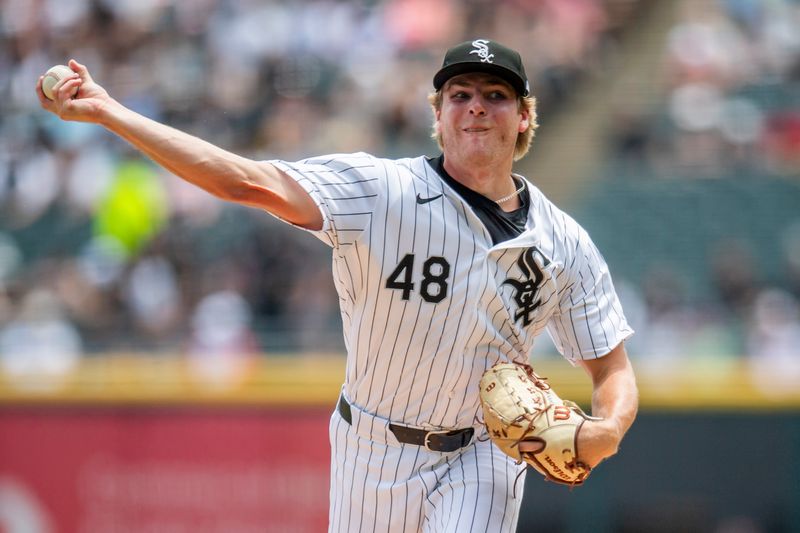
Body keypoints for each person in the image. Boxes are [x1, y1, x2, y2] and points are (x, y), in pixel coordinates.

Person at [38, 38, 638, 532]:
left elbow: (611, 367)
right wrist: (110, 112)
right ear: (437, 116)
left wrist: (607, 429)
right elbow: (244, 181)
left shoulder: (563, 243)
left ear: (525, 115)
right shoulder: (378, 192)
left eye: (496, 95)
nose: (476, 107)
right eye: (459, 94)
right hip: (369, 448)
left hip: (481, 453)